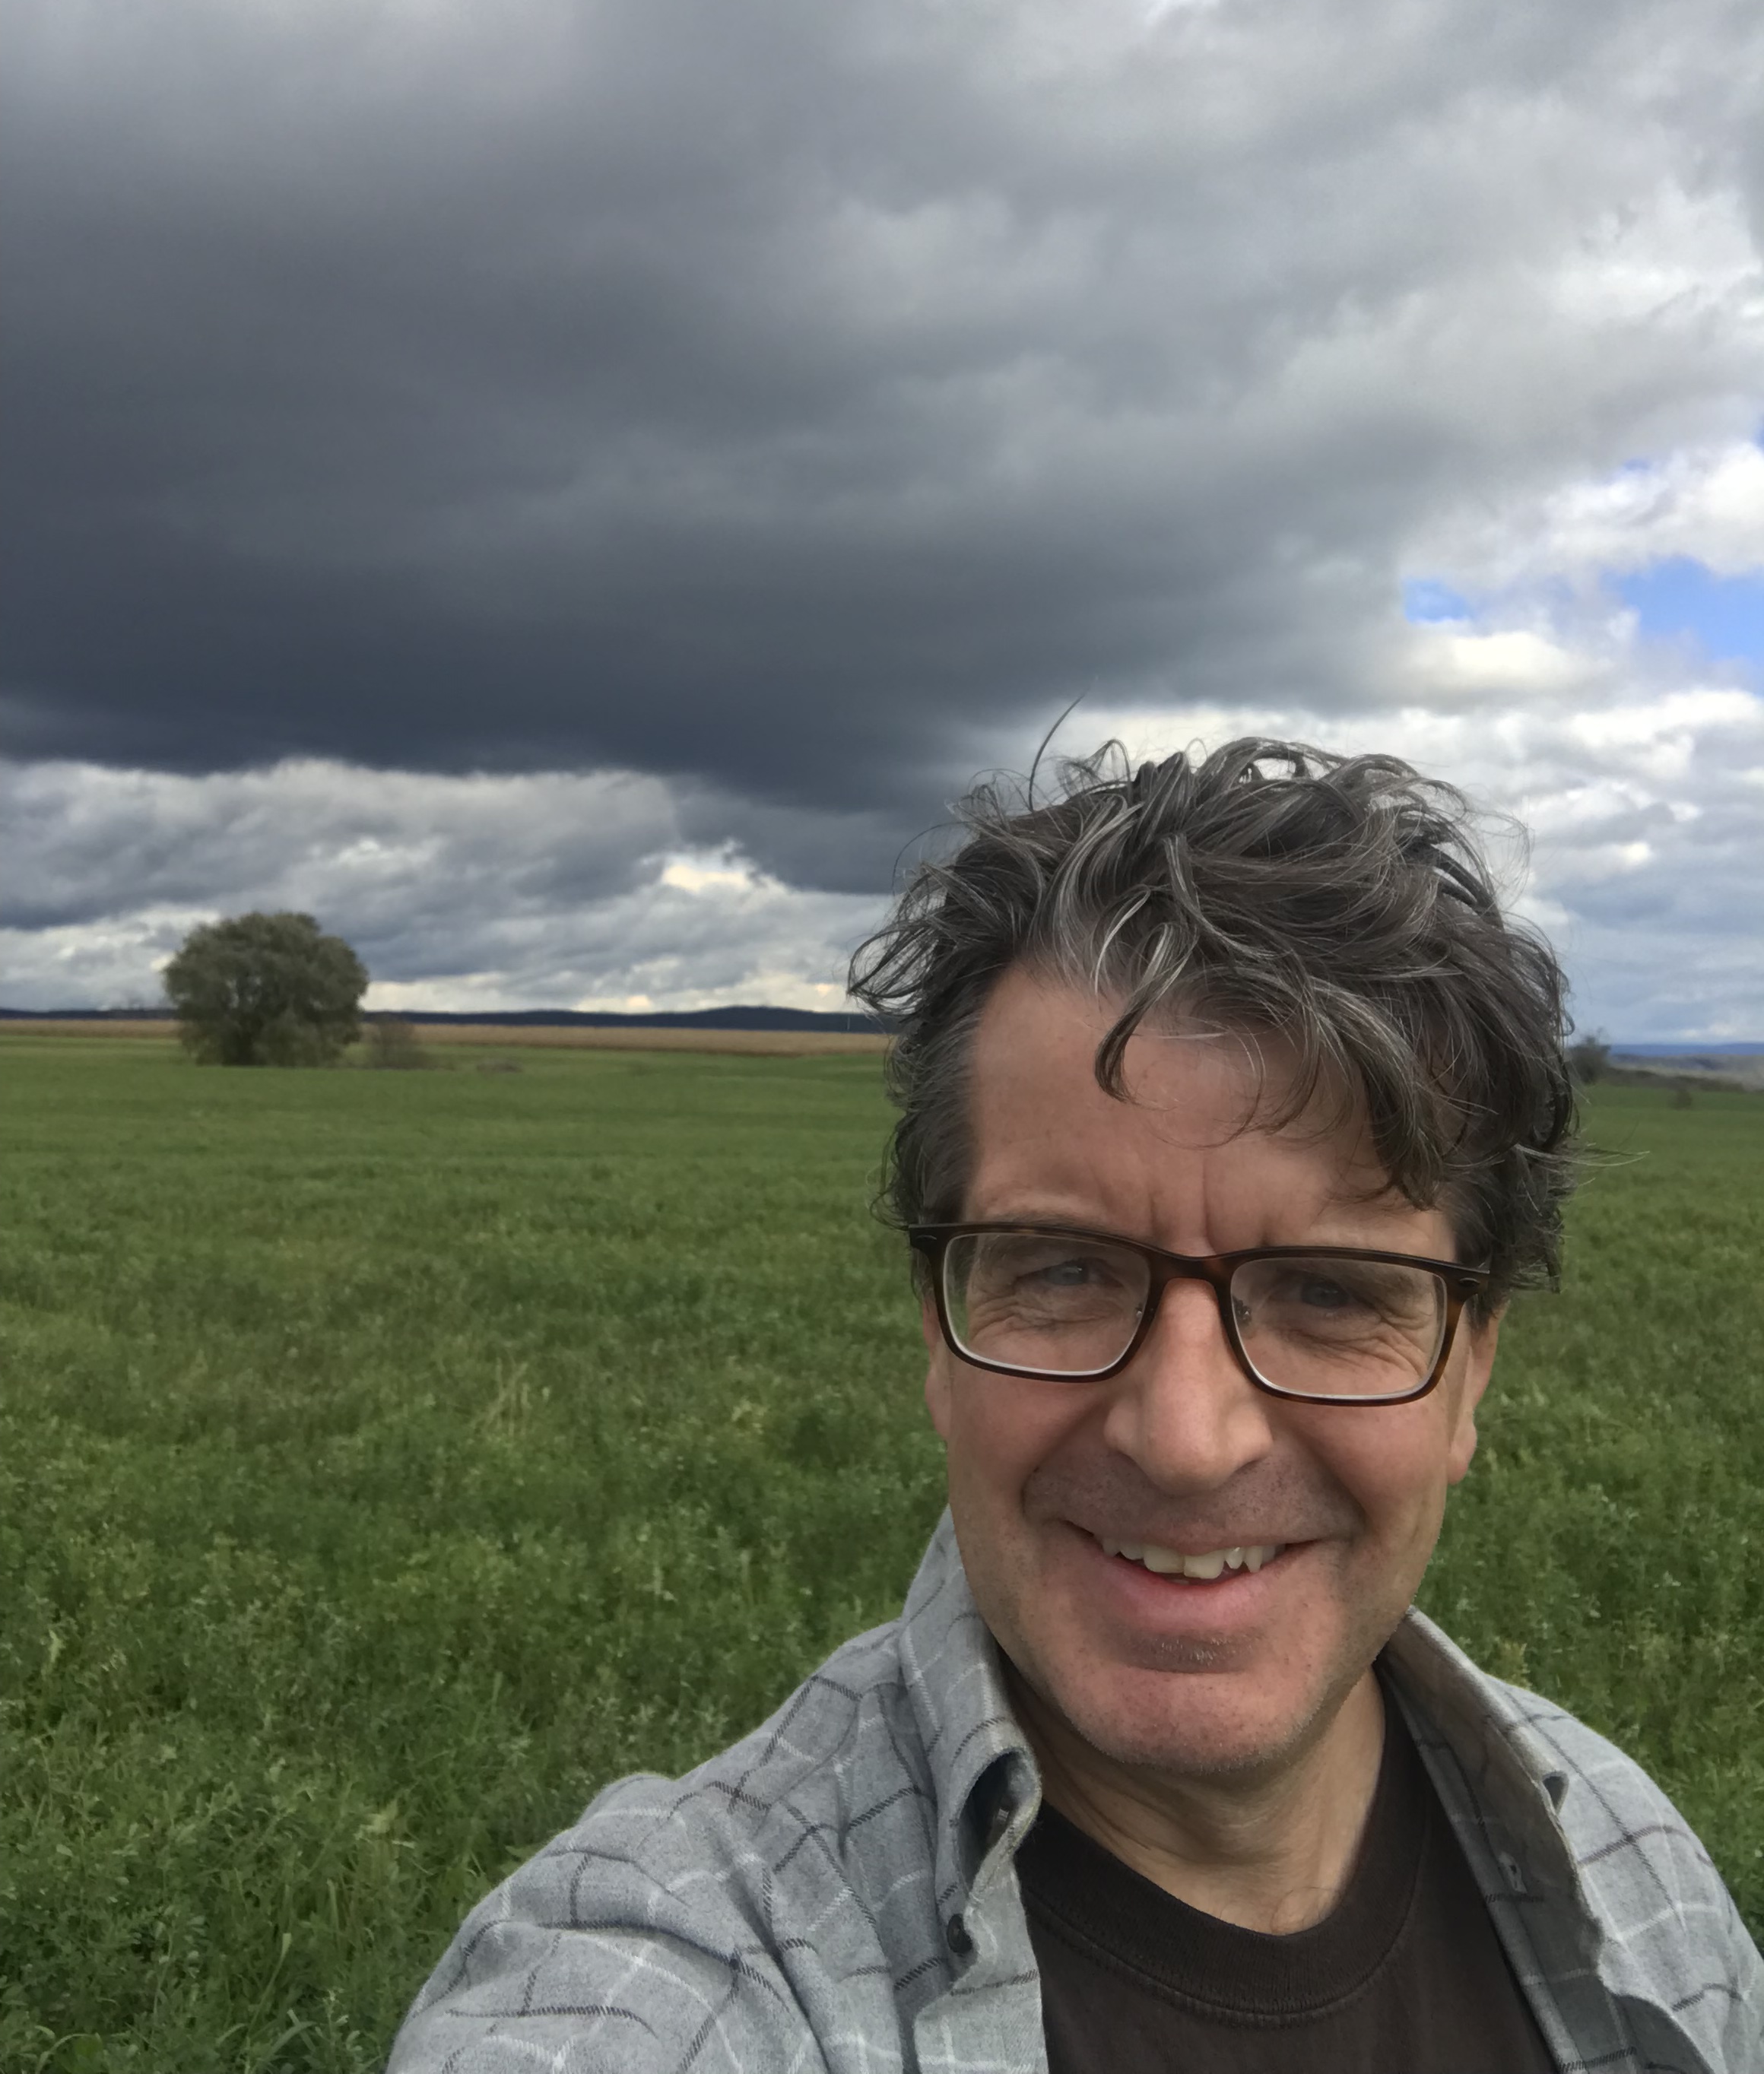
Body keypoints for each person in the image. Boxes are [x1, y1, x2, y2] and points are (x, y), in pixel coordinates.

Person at [388, 740, 1761, 2073]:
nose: (1186, 1439)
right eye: (1063, 1271)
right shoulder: (678, 1981)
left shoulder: (1635, 1861)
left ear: (1470, 1370)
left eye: (1332, 1293)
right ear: (939, 1333)